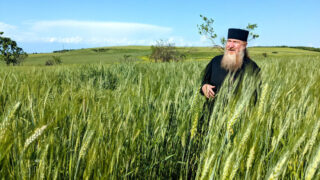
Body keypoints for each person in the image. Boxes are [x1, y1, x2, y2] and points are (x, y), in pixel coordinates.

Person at [200, 28, 260, 100]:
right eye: (229, 41)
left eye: (235, 42)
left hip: (237, 110)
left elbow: (255, 94)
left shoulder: (252, 66)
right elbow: (204, 82)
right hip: (211, 110)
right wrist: (204, 87)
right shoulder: (215, 61)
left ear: (244, 45)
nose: (230, 46)